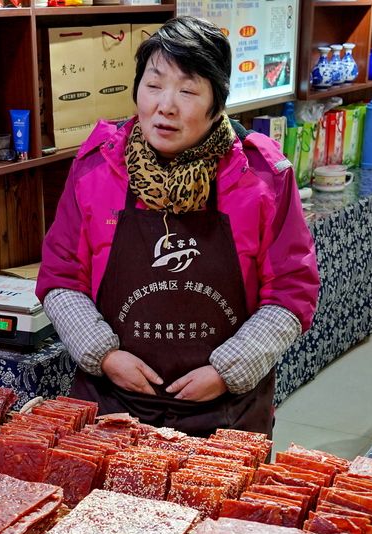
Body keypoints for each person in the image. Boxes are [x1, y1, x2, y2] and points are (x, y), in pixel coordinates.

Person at [36, 16, 319, 437]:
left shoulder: (262, 177)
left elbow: (292, 291)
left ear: (217, 102)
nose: (165, 106)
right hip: (113, 403)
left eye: (187, 90)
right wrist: (104, 356)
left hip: (226, 413)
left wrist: (230, 370)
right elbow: (61, 278)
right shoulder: (97, 168)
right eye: (153, 86)